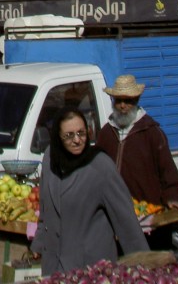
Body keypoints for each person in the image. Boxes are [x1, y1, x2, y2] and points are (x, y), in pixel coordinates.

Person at [31, 106, 147, 275]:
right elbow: (46, 207)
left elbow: (127, 223)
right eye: (69, 135)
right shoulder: (50, 158)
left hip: (90, 269)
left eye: (82, 133)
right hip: (54, 266)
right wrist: (40, 241)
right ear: (58, 137)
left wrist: (146, 270)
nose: (77, 140)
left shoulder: (100, 167)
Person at [96, 74, 178, 219]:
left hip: (147, 215)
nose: (123, 106)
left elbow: (168, 174)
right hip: (114, 215)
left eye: (128, 101)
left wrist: (173, 199)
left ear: (136, 100)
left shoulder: (152, 133)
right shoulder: (105, 134)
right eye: (119, 100)